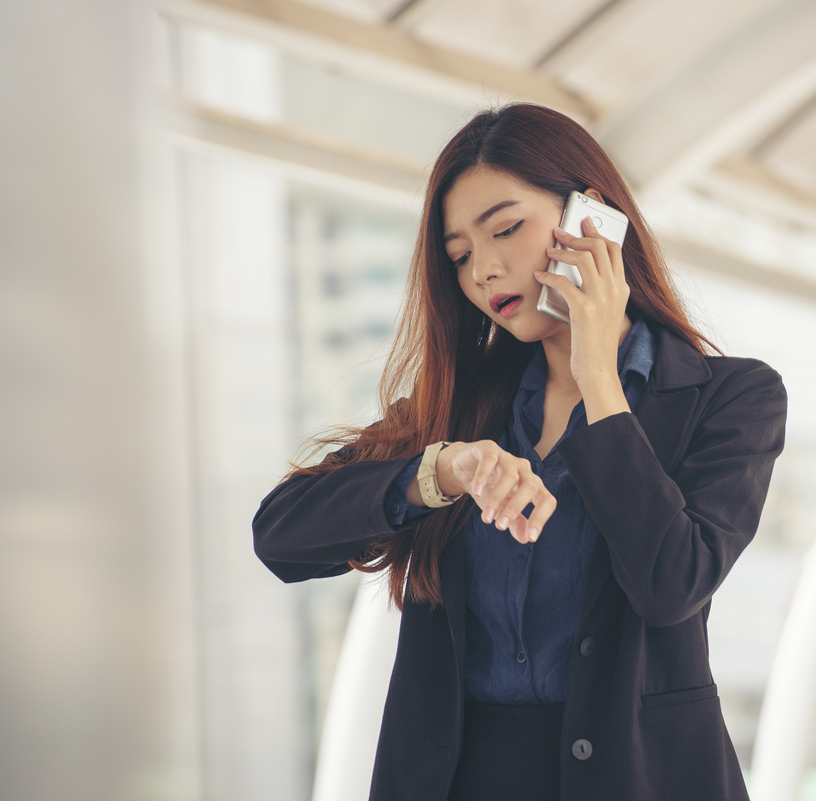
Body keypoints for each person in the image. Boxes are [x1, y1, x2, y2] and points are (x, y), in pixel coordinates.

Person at [252, 103, 787, 801]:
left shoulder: (731, 397)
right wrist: (440, 471)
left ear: (590, 220)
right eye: (461, 254)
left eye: (506, 229)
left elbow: (671, 583)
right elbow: (281, 535)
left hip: (635, 778)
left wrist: (599, 378)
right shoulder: (464, 405)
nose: (485, 270)